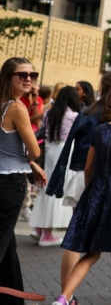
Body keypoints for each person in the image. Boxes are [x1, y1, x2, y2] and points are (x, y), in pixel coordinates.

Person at [52, 90, 111, 305]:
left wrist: (91, 187)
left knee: (91, 253)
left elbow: (88, 166)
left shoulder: (99, 130)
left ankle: (64, 297)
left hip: (96, 192)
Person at [0, 58, 45, 304]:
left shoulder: (2, 105)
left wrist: (30, 164)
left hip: (6, 179)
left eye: (33, 75)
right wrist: (32, 159)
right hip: (11, 184)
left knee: (9, 251)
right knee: (2, 244)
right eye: (22, 75)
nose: (29, 79)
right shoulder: (17, 107)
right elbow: (35, 150)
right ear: (8, 77)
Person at [30, 86, 80, 247]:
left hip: (49, 151)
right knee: (59, 189)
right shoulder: (73, 116)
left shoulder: (48, 113)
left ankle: (39, 227)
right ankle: (47, 233)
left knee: (46, 188)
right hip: (65, 150)